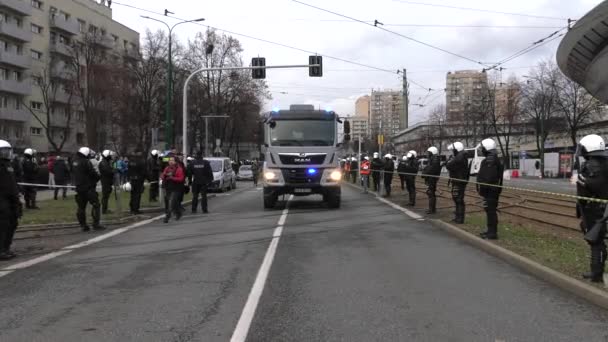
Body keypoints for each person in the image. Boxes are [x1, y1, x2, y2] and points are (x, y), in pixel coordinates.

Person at [575, 134, 608, 283]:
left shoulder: (592, 166)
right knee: (598, 240)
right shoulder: (604, 163)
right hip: (601, 207)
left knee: (596, 241)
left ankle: (596, 273)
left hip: (594, 209)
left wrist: (581, 182)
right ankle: (597, 271)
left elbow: (587, 189)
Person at [476, 138, 504, 240]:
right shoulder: (492, 158)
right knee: (489, 210)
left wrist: (481, 181)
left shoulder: (490, 160)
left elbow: (488, 177)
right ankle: (490, 231)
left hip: (491, 190)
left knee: (491, 211)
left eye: (483, 148)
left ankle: (492, 233)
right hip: (491, 190)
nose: (482, 150)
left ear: (487, 148)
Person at [72, 147, 104, 232]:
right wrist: (98, 177)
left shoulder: (74, 162)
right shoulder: (86, 162)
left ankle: (83, 225)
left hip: (79, 188)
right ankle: (96, 224)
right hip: (88, 188)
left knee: (81, 207)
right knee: (96, 205)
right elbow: (93, 173)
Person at [0, 140, 22, 260]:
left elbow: (12, 181)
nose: (5, 153)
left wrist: (17, 194)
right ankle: (1, 250)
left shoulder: (9, 165)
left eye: (7, 151)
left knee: (13, 223)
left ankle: (6, 247)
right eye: (3, 151)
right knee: (3, 224)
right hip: (2, 199)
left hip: (11, 198)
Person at [446, 142, 469, 224]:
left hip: (459, 181)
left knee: (458, 199)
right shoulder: (460, 156)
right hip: (458, 180)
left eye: (453, 150)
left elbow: (449, 165)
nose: (452, 152)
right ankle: (458, 217)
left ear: (457, 149)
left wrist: (449, 161)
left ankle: (460, 218)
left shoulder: (459, 157)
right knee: (457, 198)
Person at [161, 156, 186, 223]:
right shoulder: (167, 168)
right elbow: (162, 176)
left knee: (171, 203)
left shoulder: (179, 169)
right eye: (170, 160)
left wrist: (172, 178)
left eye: (172, 160)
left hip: (176, 188)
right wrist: (165, 176)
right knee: (175, 203)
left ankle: (167, 217)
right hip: (168, 188)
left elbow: (181, 179)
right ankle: (178, 213)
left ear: (175, 161)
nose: (171, 162)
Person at [422, 146, 441, 214]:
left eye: (429, 153)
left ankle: (432, 209)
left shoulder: (435, 160)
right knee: (430, 193)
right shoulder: (432, 159)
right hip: (431, 178)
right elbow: (428, 168)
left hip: (432, 178)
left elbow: (431, 169)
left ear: (432, 152)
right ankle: (431, 209)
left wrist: (424, 173)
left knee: (431, 193)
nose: (427, 154)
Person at [127, 149, 146, 215]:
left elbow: (128, 171)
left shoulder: (130, 161)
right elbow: (143, 172)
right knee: (137, 195)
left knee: (132, 195)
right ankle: (135, 209)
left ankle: (132, 209)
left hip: (132, 180)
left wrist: (128, 179)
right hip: (139, 180)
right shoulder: (141, 161)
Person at [99, 150, 115, 214]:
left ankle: (105, 209)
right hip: (105, 181)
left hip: (107, 181)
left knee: (106, 196)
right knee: (105, 196)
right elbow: (108, 172)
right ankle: (104, 210)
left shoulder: (106, 162)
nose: (111, 157)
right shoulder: (103, 163)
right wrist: (113, 171)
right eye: (110, 156)